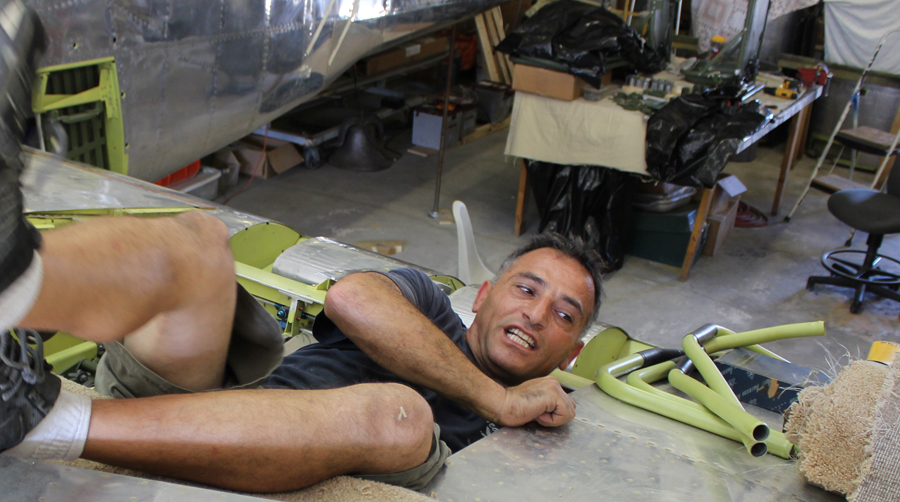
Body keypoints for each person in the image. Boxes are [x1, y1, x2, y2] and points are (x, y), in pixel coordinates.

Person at [0, 0, 605, 494]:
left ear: (573, 351)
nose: (536, 313)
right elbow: (351, 299)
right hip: (217, 403)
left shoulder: (537, 424)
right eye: (527, 288)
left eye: (563, 314)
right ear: (486, 293)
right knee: (199, 240)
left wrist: (516, 413)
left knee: (402, 418)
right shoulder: (427, 303)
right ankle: (15, 284)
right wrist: (496, 399)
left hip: (295, 469)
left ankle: (47, 422)